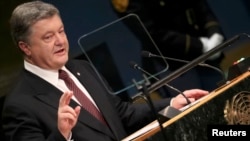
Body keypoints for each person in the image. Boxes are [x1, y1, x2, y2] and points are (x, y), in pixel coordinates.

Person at [2, 1, 209, 141]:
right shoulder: (19, 104)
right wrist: (61, 135)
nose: (60, 41)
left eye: (61, 31)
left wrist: (171, 103)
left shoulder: (83, 68)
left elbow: (122, 114)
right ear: (25, 47)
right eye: (48, 37)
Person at [111, 0, 226, 97]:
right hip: (171, 64)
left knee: (227, 100)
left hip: (206, 52)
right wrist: (200, 45)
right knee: (197, 111)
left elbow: (200, 6)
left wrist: (215, 33)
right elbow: (151, 33)